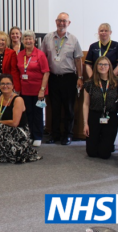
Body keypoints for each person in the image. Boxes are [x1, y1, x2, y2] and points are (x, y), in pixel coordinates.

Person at [41, 12, 83, 146]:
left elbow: (78, 60)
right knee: (55, 108)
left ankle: (68, 135)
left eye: (64, 21)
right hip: (53, 78)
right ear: (55, 21)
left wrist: (80, 77)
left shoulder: (73, 39)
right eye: (59, 21)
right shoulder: (48, 38)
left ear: (69, 23)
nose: (62, 23)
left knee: (69, 108)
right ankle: (55, 134)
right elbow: (42, 57)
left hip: (69, 78)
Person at [0, 74, 42, 164]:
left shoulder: (18, 100)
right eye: (2, 83)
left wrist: (0, 122)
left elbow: (15, 123)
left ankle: (9, 152)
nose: (5, 86)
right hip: (3, 128)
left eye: (8, 83)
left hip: (19, 130)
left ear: (13, 86)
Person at [83, 57, 118, 159]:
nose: (103, 67)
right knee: (92, 153)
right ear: (96, 66)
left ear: (109, 67)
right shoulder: (89, 83)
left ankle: (107, 144)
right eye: (100, 64)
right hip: (95, 115)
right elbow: (85, 104)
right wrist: (85, 124)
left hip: (111, 116)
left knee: (104, 154)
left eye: (105, 64)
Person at [17, 30, 49, 146]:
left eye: (30, 39)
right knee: (27, 113)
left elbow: (46, 73)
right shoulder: (20, 55)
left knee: (37, 113)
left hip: (38, 90)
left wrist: (42, 89)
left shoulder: (40, 54)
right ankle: (29, 135)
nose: (28, 41)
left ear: (34, 40)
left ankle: (38, 136)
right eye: (26, 39)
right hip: (25, 90)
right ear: (23, 41)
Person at [0, 31, 21, 112]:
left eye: (3, 40)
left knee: (6, 106)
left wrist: (15, 86)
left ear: (6, 42)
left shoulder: (11, 53)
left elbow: (14, 71)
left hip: (6, 84)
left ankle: (4, 123)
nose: (0, 42)